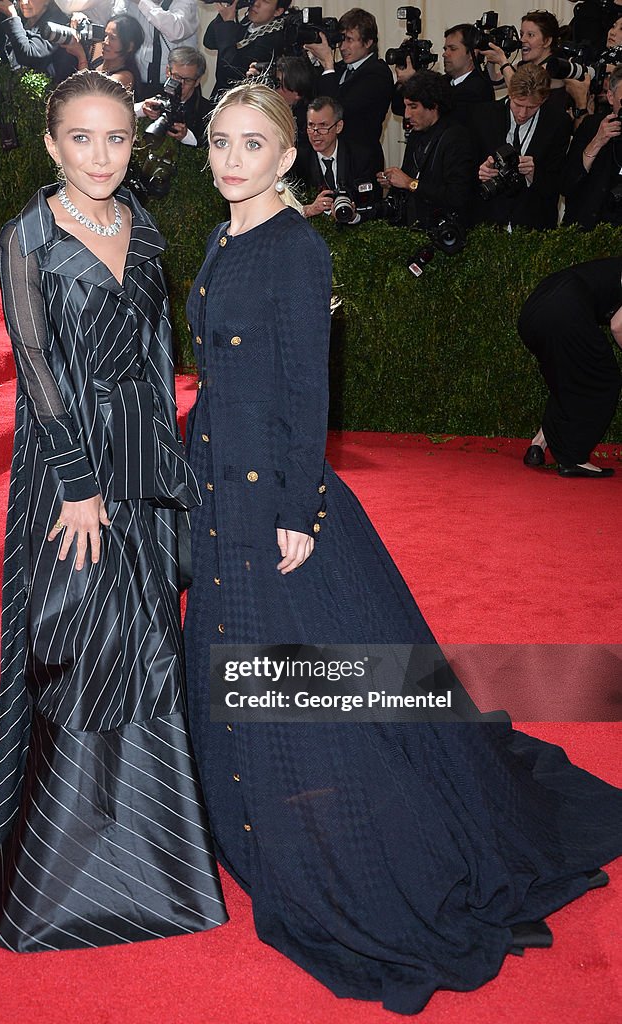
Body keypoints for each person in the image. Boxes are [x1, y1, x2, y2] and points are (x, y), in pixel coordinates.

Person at [182, 79, 622, 1016]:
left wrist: (298, 510)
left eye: (252, 144)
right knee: (253, 666)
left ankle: (353, 822)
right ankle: (258, 814)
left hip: (271, 499)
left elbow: (308, 391)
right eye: (220, 140)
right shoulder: (224, 234)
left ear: (289, 155)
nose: (230, 159)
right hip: (219, 485)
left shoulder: (294, 247)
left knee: (306, 670)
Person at [0, 70, 226, 951]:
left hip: (141, 460)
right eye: (82, 138)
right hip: (64, 467)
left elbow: (155, 359)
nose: (102, 156)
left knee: (148, 634)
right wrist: (78, 484)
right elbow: (35, 369)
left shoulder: (142, 229)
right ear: (51, 144)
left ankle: (159, 860)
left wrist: (166, 477)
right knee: (78, 640)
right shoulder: (27, 237)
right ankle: (57, 879)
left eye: (117, 138)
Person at [518, 258, 622, 477]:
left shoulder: (612, 266)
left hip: (534, 309)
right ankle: (573, 458)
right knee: (603, 379)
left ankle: (538, 446)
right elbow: (618, 326)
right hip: (565, 308)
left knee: (567, 378)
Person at [473, 63, 571, 229]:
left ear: (544, 99)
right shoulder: (483, 116)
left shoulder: (558, 123)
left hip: (534, 224)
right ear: (510, 94)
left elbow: (560, 182)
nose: (522, 114)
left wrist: (534, 174)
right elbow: (464, 171)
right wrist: (481, 171)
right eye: (518, 104)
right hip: (489, 221)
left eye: (532, 107)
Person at [379, 70, 476, 230]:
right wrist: (394, 181)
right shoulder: (416, 135)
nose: (406, 114)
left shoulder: (456, 138)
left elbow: (457, 196)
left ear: (433, 105)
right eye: (405, 106)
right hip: (414, 227)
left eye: (413, 106)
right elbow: (410, 177)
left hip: (444, 231)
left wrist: (410, 183)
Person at [303, 7, 393, 169]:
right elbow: (314, 98)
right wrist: (316, 59)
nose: (342, 47)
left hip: (360, 164)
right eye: (341, 39)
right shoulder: (341, 68)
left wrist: (328, 64)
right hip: (332, 160)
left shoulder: (378, 73)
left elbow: (338, 109)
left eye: (350, 40)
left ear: (368, 42)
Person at [49, 0, 199, 91]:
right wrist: (81, 15)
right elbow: (112, 23)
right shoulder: (127, 2)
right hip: (140, 82)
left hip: (178, 84)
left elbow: (176, 30)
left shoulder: (186, 3)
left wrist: (142, 2)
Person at [292, 96, 383, 220]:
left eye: (323, 125)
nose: (315, 133)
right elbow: (283, 208)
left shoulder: (361, 157)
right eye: (311, 125)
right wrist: (309, 209)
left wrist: (355, 216)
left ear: (338, 127)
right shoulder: (296, 159)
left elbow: (375, 206)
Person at [392, 24, 494, 126]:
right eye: (445, 49)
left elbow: (444, 117)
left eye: (453, 49)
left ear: (473, 54)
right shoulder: (443, 81)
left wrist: (413, 81)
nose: (445, 54)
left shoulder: (478, 87)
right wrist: (404, 81)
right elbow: (399, 107)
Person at [562, 64, 622, 227]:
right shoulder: (590, 126)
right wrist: (597, 141)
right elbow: (567, 184)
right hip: (586, 229)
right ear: (611, 97)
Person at [204, 0, 292, 101]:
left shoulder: (273, 40)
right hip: (221, 96)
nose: (256, 3)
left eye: (265, 1)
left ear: (278, 11)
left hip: (240, 101)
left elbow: (231, 73)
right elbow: (210, 42)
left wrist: (228, 22)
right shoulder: (249, 22)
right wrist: (227, 11)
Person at [0, 0, 79, 84]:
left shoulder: (58, 23)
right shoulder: (23, 18)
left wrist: (12, 16)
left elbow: (29, 55)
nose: (24, 2)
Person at [138, 46, 212, 147]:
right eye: (176, 77)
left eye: (188, 80)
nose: (180, 85)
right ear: (168, 71)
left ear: (197, 81)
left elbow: (209, 148)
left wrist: (186, 137)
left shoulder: (208, 113)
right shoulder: (151, 94)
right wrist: (142, 109)